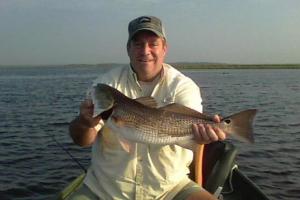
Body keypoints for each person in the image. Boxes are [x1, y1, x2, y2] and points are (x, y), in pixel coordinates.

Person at [69, 16, 226, 200]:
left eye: (153, 44)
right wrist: (85, 123)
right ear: (128, 49)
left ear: (164, 48)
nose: (145, 51)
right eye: (138, 44)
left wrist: (205, 135)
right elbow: (82, 141)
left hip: (170, 189)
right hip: (105, 190)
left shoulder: (183, 86)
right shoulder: (106, 84)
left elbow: (192, 133)